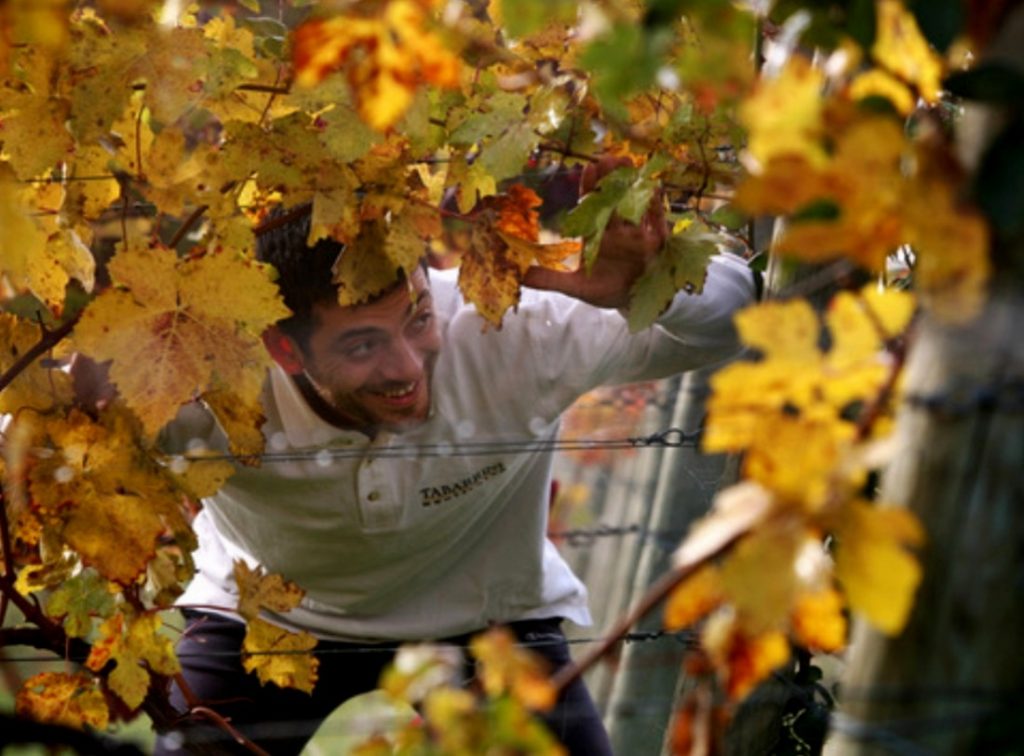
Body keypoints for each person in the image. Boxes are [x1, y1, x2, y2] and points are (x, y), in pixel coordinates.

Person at [153, 163, 757, 754]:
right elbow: (70, 420)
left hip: (487, 616)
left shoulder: (506, 327)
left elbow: (736, 313)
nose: (408, 368)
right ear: (282, 348)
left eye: (417, 318)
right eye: (363, 344)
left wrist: (646, 288)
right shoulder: (209, 382)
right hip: (266, 622)